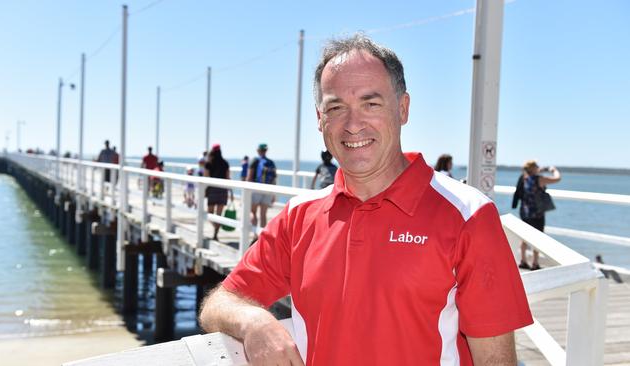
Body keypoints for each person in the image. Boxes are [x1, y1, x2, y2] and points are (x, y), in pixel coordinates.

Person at [200, 34, 532, 365]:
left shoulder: (468, 216)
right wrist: (255, 323)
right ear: (320, 120)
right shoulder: (300, 216)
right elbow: (220, 302)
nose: (353, 124)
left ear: (403, 109)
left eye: (370, 104)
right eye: (335, 107)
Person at [512, 160, 561, 270]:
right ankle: (535, 262)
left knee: (524, 237)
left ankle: (523, 260)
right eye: (537, 166)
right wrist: (554, 170)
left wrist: (542, 169)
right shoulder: (539, 179)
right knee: (538, 237)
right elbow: (557, 178)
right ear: (533, 168)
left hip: (524, 211)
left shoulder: (524, 177)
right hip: (537, 214)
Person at [246, 143, 276, 229]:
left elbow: (249, 177)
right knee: (263, 214)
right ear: (266, 151)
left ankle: (255, 235)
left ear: (258, 150)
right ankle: (261, 236)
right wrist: (273, 194)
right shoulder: (271, 162)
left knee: (253, 212)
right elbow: (274, 179)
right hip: (268, 190)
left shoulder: (255, 160)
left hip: (256, 189)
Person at [204, 144, 231, 241]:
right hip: (223, 189)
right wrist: (230, 192)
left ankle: (215, 229)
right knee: (219, 215)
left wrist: (204, 190)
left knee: (210, 213)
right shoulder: (225, 163)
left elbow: (206, 177)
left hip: (212, 189)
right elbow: (228, 178)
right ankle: (216, 233)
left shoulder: (209, 163)